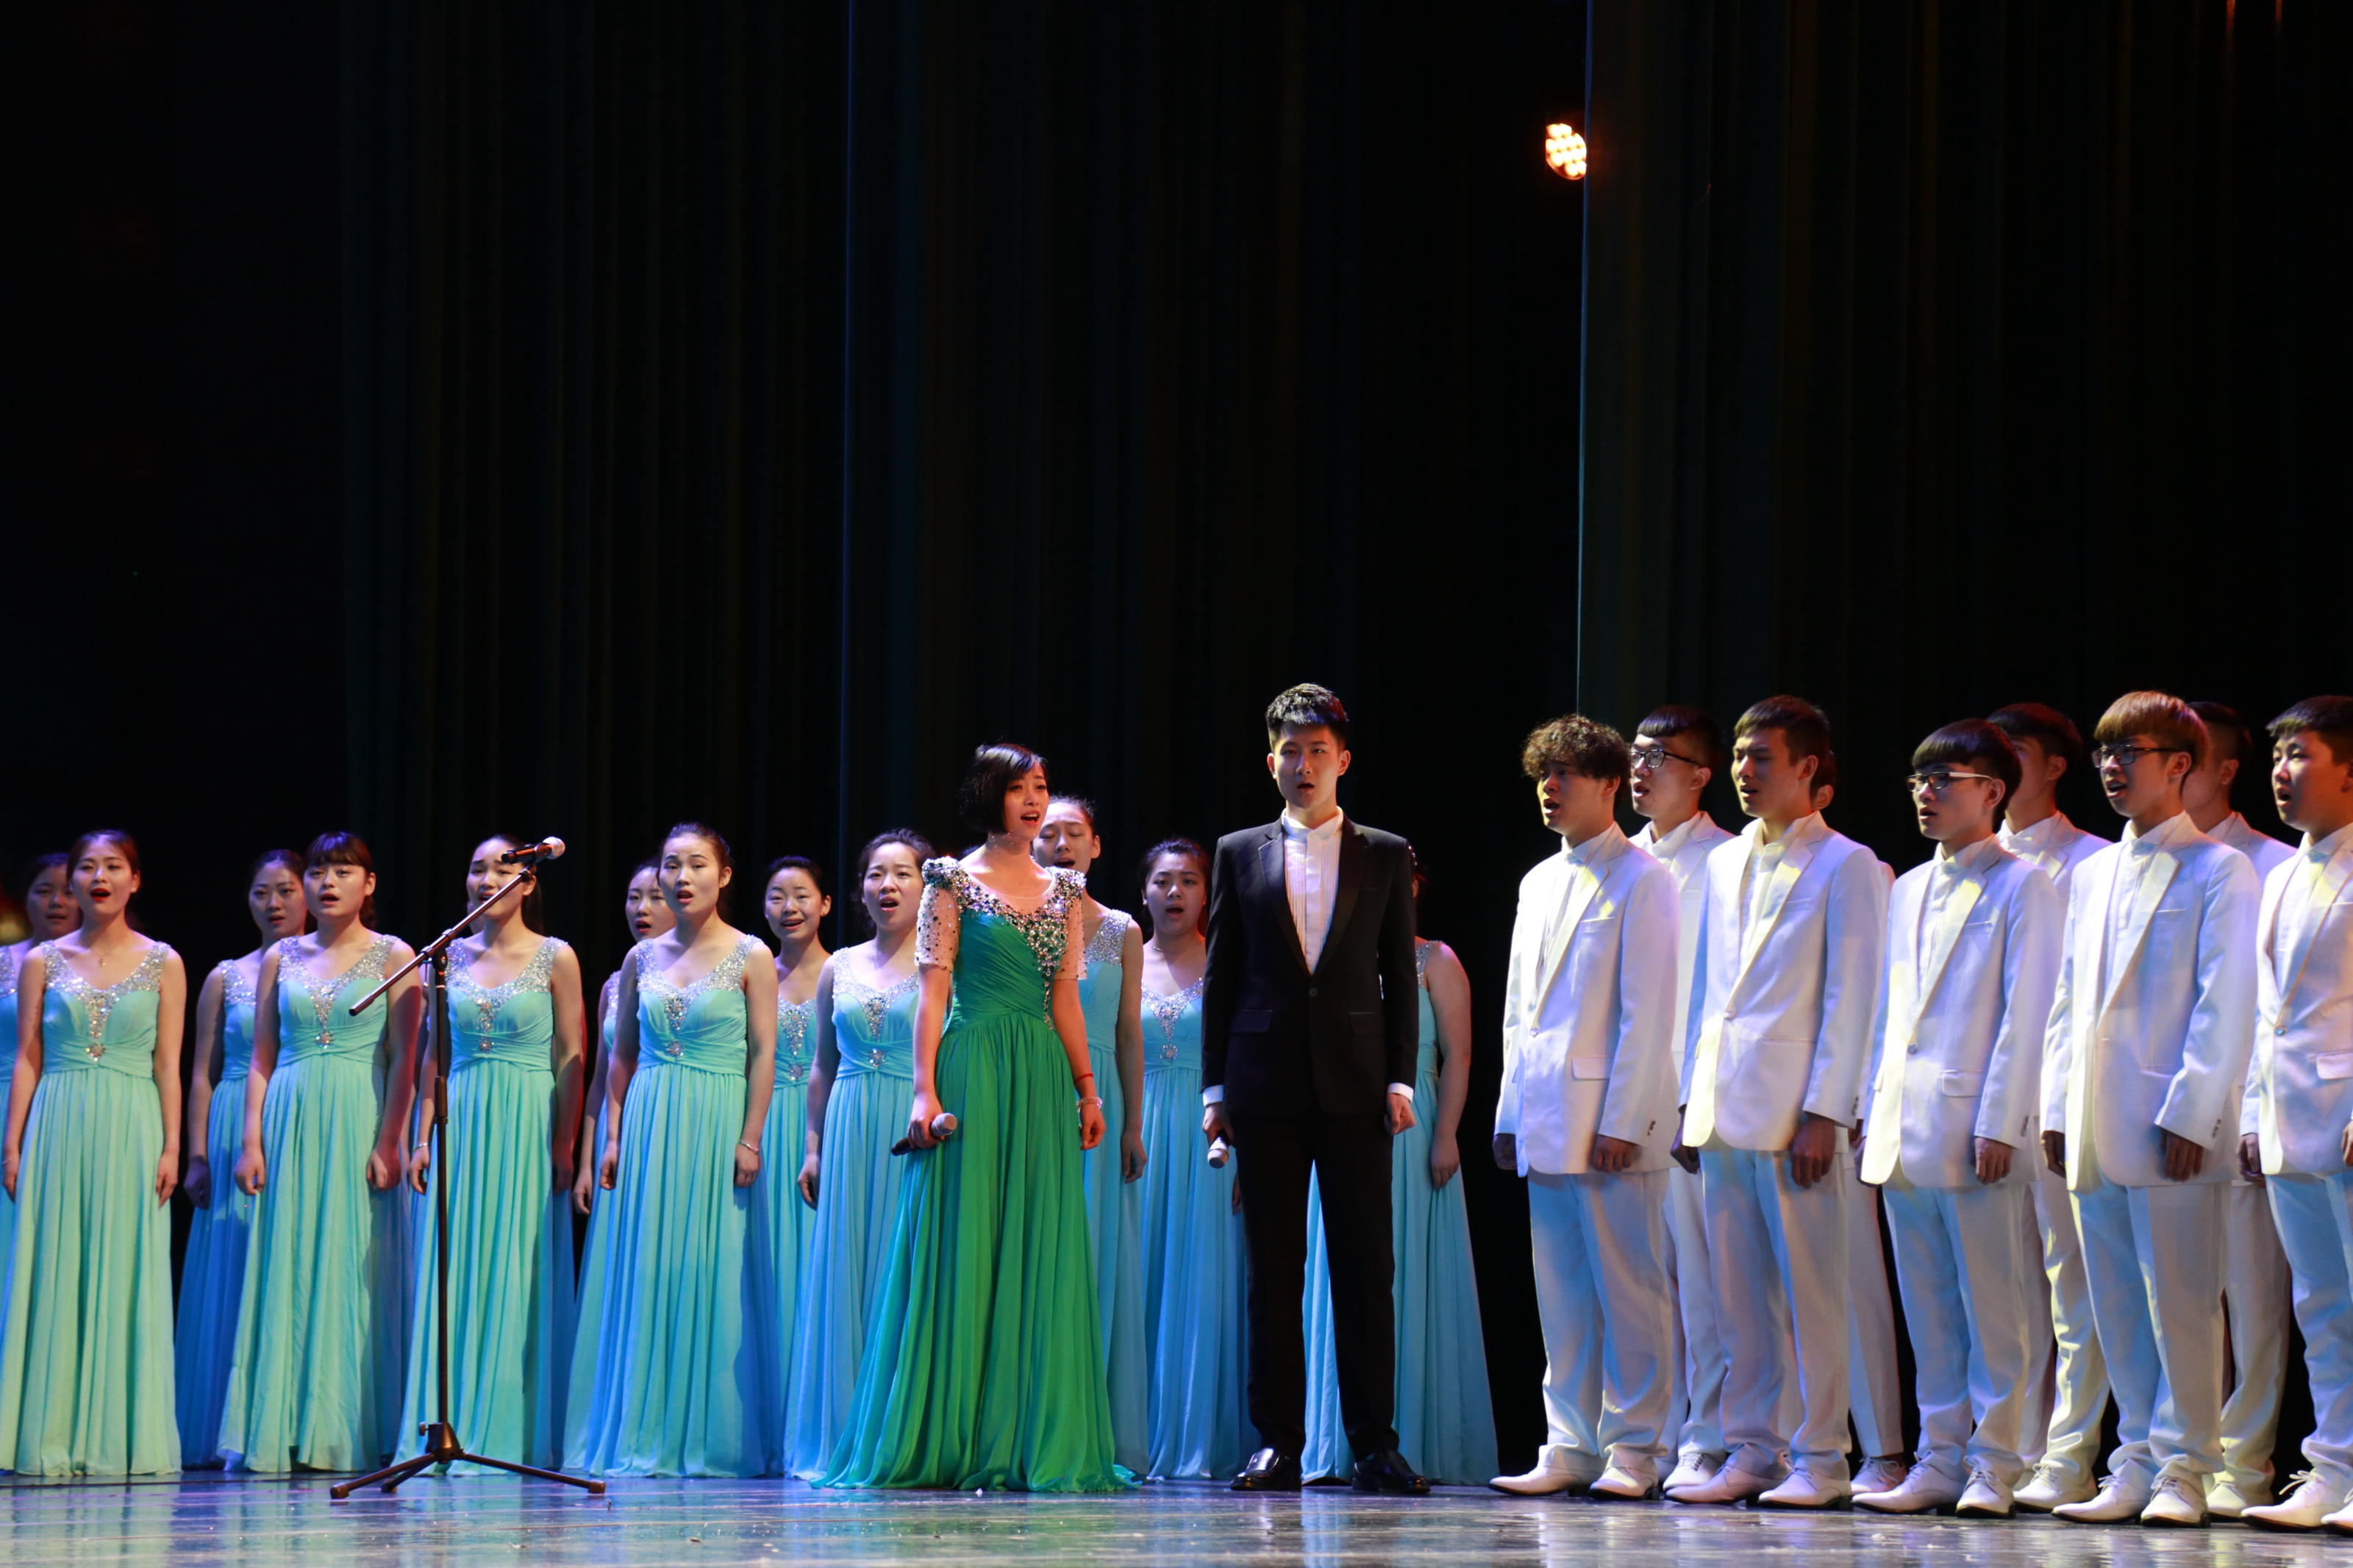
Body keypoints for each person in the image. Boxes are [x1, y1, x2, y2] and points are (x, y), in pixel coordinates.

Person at [821, 744, 1126, 1491]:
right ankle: (948, 1432)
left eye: (1041, 787)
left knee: (1038, 1239)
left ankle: (1026, 1435)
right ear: (990, 795)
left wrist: (1087, 1090)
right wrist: (923, 1090)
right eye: (1019, 788)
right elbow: (932, 992)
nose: (1034, 800)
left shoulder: (1064, 890)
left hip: (1040, 1072)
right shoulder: (949, 880)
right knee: (964, 1238)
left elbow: (1065, 997)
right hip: (973, 1064)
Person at [1201, 685, 1425, 1497]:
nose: (1303, 765)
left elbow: (1398, 975)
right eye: (1289, 752)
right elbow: (1222, 975)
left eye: (1317, 752)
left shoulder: (1385, 852)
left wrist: (1399, 1077)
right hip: (1263, 1086)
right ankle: (1276, 1443)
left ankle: (1374, 1445)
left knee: (1364, 1269)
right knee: (1272, 1272)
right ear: (1270, 762)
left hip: (1358, 1086)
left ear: (1343, 760)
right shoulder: (1238, 851)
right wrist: (1214, 1088)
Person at [2042, 692, 2257, 1526]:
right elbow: (2068, 999)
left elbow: (2223, 1000)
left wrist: (2192, 1112)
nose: (2111, 767)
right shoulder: (2093, 871)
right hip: (2093, 1119)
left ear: (2180, 765)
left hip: (2168, 1121)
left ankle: (2187, 1468)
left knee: (2183, 1304)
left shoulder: (2219, 868)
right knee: (2115, 1305)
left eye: (2129, 752)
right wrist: (2055, 1107)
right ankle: (2133, 1458)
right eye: (2105, 752)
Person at [1667, 695, 1887, 1508]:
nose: (1743, 771)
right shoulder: (1724, 862)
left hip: (1797, 1113)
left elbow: (1852, 996)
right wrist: (1690, 1099)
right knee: (1737, 1296)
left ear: (1807, 768)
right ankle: (1754, 1447)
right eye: (1738, 756)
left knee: (1813, 1293)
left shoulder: (1847, 864)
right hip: (1723, 1105)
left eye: (1762, 757)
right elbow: (1707, 991)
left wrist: (1826, 1111)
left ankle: (1822, 1456)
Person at [1850, 723, 2059, 1517]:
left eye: (1945, 778)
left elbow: (2025, 1013)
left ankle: (1999, 1461)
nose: (1925, 792)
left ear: (1992, 791)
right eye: (1918, 778)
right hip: (1904, 1126)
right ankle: (1938, 1456)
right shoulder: (1906, 887)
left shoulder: (2024, 885)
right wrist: (1869, 1106)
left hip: (1976, 1127)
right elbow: (1886, 1013)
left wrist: (2001, 1121)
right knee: (1931, 1307)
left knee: (1996, 1306)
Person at [1486, 717, 1679, 1500]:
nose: (1551, 788)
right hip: (1543, 1115)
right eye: (1544, 774)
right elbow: (1517, 1011)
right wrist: (1508, 1113)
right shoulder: (1538, 880)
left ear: (1609, 785)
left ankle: (1636, 1447)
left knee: (1629, 1287)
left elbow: (1647, 1011)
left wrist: (1624, 1121)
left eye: (1566, 774)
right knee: (1561, 1292)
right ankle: (1569, 1442)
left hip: (1606, 1118)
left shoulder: (1644, 878)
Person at [566, 823, 777, 1478]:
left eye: (697, 864)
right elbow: (621, 1057)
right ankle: (645, 1424)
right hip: (652, 1119)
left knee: (711, 1268)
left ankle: (708, 1433)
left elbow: (763, 1053)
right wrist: (613, 1137)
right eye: (671, 865)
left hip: (717, 1116)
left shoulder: (751, 954)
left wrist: (750, 1136)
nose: (682, 877)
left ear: (724, 875)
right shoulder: (640, 959)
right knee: (650, 1268)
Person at [220, 831, 423, 1472]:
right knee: (288, 1262)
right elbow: (261, 1056)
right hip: (291, 1113)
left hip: (359, 1113)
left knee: (351, 1263)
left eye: (343, 871)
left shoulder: (396, 954)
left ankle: (345, 1426)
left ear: (369, 883)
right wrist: (251, 1139)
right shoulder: (282, 956)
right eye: (317, 871)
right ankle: (281, 1425)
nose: (327, 882)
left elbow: (404, 1059)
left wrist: (389, 1139)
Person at [1303, 851, 1495, 1486]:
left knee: (1403, 1266)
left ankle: (1408, 1434)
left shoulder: (1434, 959)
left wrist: (1447, 1135)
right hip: (1343, 1122)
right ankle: (1337, 1442)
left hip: (1412, 1129)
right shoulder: (1336, 958)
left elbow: (1459, 1054)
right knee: (1344, 1274)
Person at [397, 835, 584, 1471]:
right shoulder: (445, 956)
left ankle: (509, 1427)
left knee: (518, 1266)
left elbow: (570, 1053)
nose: (484, 879)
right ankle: (447, 1421)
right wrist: (421, 1136)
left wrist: (564, 1142)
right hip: (462, 1117)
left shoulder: (557, 956)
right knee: (455, 1268)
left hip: (527, 1118)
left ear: (528, 881)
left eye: (500, 868)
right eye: (475, 868)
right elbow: (435, 1053)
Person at [0, 831, 184, 1474]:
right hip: (58, 1119)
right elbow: (28, 1057)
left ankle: (118, 1435)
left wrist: (173, 1145)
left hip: (133, 1123)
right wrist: (13, 1143)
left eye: (113, 866)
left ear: (135, 880)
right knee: (54, 1266)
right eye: (87, 866)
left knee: (124, 1269)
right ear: (73, 881)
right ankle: (47, 1432)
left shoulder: (164, 961)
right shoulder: (40, 960)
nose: (98, 876)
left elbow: (168, 1065)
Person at [1986, 701, 2112, 1511]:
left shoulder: (2090, 861)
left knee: (2073, 1286)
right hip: (1982, 1107)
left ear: (2056, 766)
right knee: (2000, 1291)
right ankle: (2005, 1450)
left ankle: (2069, 1452)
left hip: (2059, 1101)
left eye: (2017, 753)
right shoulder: (1971, 858)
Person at [2236, 698, 2353, 1530]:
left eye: (2300, 754)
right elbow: (2265, 1009)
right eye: (2277, 755)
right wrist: (2252, 1109)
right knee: (2320, 1305)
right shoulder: (2279, 873)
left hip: (2344, 1112)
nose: (2281, 772)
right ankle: (2332, 1468)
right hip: (2286, 1115)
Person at [785, 831, 929, 1479]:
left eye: (902, 873)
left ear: (927, 887)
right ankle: (843, 1428)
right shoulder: (837, 966)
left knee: (904, 1270)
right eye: (875, 874)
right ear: (860, 890)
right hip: (849, 1123)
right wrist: (813, 1147)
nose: (887, 885)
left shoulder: (942, 964)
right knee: (847, 1270)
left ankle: (900, 1430)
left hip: (911, 1126)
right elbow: (822, 1064)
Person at [2186, 699, 2296, 1518]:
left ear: (2225, 770)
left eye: (2192, 758)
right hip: (2172, 1115)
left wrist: (2253, 1107)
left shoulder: (2268, 862)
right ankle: (2184, 1456)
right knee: (2183, 1299)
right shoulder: (2150, 863)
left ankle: (2246, 1462)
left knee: (2255, 1298)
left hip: (2250, 1108)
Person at [1626, 707, 1737, 1492]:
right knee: (1636, 1279)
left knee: (1704, 1280)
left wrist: (1697, 1100)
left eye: (1658, 756)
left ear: (1700, 775)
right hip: (1622, 1097)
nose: (1640, 769)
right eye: (1635, 754)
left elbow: (1720, 991)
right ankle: (1645, 1438)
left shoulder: (1725, 861)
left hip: (1690, 1096)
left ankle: (1707, 1435)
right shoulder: (1618, 858)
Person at [175, 850, 307, 1465]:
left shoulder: (321, 968)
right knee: (233, 1264)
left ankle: (288, 1410)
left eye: (285, 890)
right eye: (261, 892)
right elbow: (201, 1072)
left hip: (303, 1115)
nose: (273, 903)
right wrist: (198, 1155)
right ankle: (222, 1422)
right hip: (236, 1120)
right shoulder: (226, 976)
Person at [1035, 796, 1149, 1474]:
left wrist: (1133, 1121)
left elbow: (1130, 1031)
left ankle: (1089, 1421)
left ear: (1096, 845)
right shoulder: (1015, 917)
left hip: (1098, 1097)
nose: (1060, 843)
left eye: (1073, 832)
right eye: (1047, 832)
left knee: (1094, 1246)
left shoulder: (1122, 930)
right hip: (1031, 1084)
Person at [1809, 755, 1909, 1500]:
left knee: (1851, 1278)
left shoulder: (1860, 871)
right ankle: (1798, 1444)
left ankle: (1884, 1447)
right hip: (1758, 1103)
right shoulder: (1735, 868)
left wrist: (1857, 1104)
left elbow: (1871, 1000)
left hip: (1838, 1105)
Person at [1134, 838, 1250, 1480]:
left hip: (1213, 1136)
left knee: (1203, 1278)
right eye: (1162, 880)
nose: (1174, 891)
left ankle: (1200, 1432)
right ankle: (1134, 1430)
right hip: (1139, 1132)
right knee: (1140, 1274)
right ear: (1143, 892)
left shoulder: (1229, 963)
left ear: (1208, 894)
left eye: (1188, 881)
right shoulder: (1125, 962)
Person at [753, 854, 829, 1473]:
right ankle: (767, 1424)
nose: (789, 907)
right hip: (761, 1124)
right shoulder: (754, 972)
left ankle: (815, 1422)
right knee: (766, 1275)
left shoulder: (846, 969)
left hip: (823, 1128)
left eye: (802, 895)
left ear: (826, 904)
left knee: (815, 1273)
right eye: (777, 896)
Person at [0, 853, 79, 1329]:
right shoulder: (4, 961)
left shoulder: (96, 966)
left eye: (67, 891)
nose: (57, 902)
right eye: (43, 891)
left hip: (64, 1107)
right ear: (25, 899)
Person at [571, 860, 674, 1220]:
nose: (641, 909)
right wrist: (586, 1164)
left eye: (656, 897)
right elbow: (600, 1081)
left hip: (671, 1123)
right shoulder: (614, 986)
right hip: (615, 1137)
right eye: (634, 897)